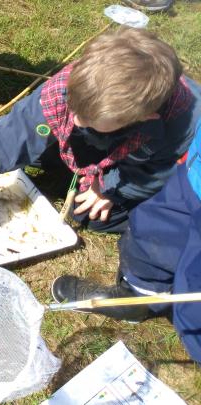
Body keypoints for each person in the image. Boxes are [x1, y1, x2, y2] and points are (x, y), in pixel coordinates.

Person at [0, 28, 201, 233]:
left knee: (90, 217)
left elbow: (154, 172)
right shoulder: (75, 86)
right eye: (75, 112)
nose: (78, 122)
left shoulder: (180, 123)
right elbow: (18, 130)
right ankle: (85, 162)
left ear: (143, 117)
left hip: (145, 162)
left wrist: (108, 189)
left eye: (90, 121)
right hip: (110, 137)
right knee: (29, 151)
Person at [51, 120, 201, 364]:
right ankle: (138, 294)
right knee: (157, 227)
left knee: (194, 286)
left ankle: (196, 340)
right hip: (196, 170)